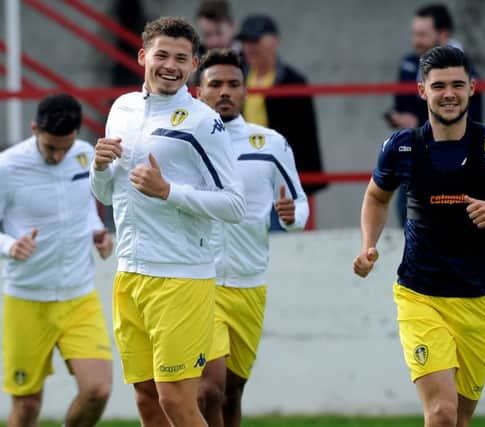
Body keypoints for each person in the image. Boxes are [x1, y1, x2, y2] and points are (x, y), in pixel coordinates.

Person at [353, 46, 485, 427]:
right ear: (422, 90)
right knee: (440, 413)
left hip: (479, 299)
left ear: (472, 88)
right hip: (420, 295)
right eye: (439, 85)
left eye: (458, 84)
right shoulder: (402, 147)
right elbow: (376, 196)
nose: (449, 93)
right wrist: (368, 245)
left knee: (459, 418)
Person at [90, 17, 246, 427]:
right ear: (143, 56)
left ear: (194, 65)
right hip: (128, 275)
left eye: (181, 58)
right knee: (145, 400)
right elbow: (107, 196)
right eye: (161, 55)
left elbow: (235, 204)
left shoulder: (203, 121)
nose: (170, 65)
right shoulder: (121, 109)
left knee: (177, 401)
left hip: (180, 278)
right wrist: (99, 168)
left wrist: (168, 192)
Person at [195, 48, 308, 427]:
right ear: (199, 91)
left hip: (249, 285)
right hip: (198, 281)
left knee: (230, 395)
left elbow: (299, 201)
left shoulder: (270, 144)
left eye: (233, 84)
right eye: (215, 84)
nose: (224, 91)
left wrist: (293, 218)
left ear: (247, 91)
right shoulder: (183, 141)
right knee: (206, 391)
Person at [0, 94, 113, 427]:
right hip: (27, 298)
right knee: (27, 406)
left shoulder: (85, 156)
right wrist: (9, 246)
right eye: (51, 148)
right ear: (34, 129)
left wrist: (97, 232)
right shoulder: (7, 166)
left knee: (98, 390)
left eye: (66, 146)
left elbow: (85, 209)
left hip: (79, 297)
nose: (59, 155)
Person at [385, 4, 483, 227]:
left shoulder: (466, 73)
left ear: (443, 35)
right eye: (414, 34)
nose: (416, 41)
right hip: (416, 155)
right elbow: (402, 104)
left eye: (422, 35)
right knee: (408, 217)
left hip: (453, 160)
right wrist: (401, 118)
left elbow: (470, 119)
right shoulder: (409, 63)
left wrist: (417, 120)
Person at [237, 14, 326, 227]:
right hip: (244, 175)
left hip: (280, 178)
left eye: (256, 40)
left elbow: (306, 138)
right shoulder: (237, 79)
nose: (250, 47)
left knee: (282, 236)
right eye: (246, 41)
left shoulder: (293, 82)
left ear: (274, 42)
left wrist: (305, 184)